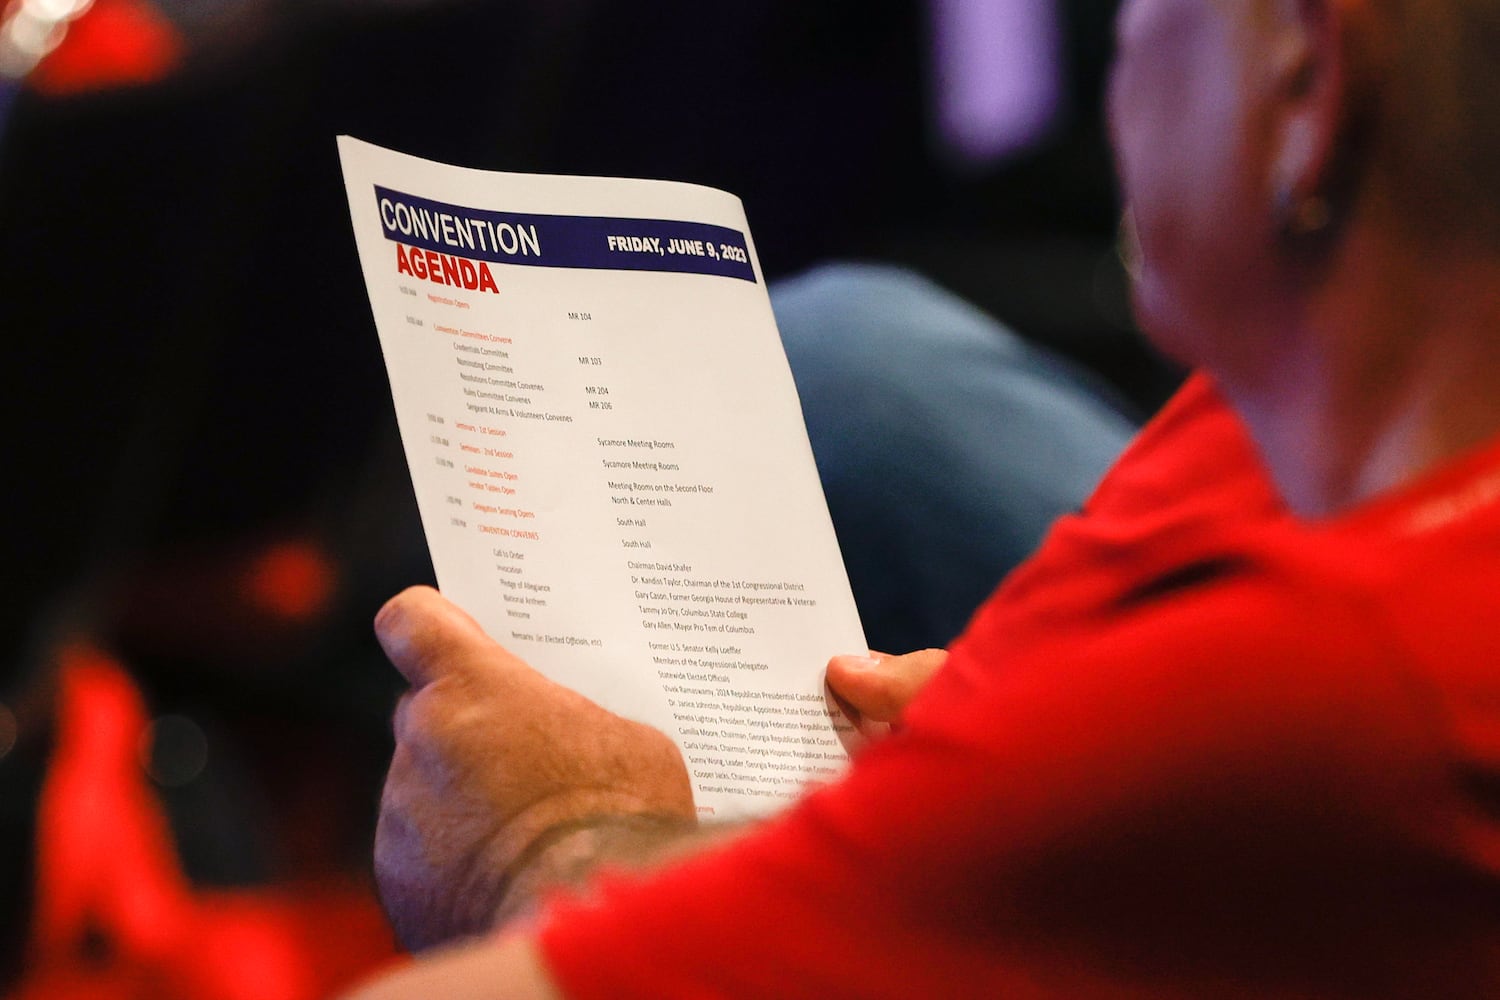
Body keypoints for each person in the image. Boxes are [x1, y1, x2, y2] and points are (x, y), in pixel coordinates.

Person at [346, 0, 1500, 994]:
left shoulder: (1330, 672)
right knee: (848, 359)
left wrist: (540, 844)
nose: (1122, 64)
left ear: (1306, 79)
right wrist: (994, 773)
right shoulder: (1293, 418)